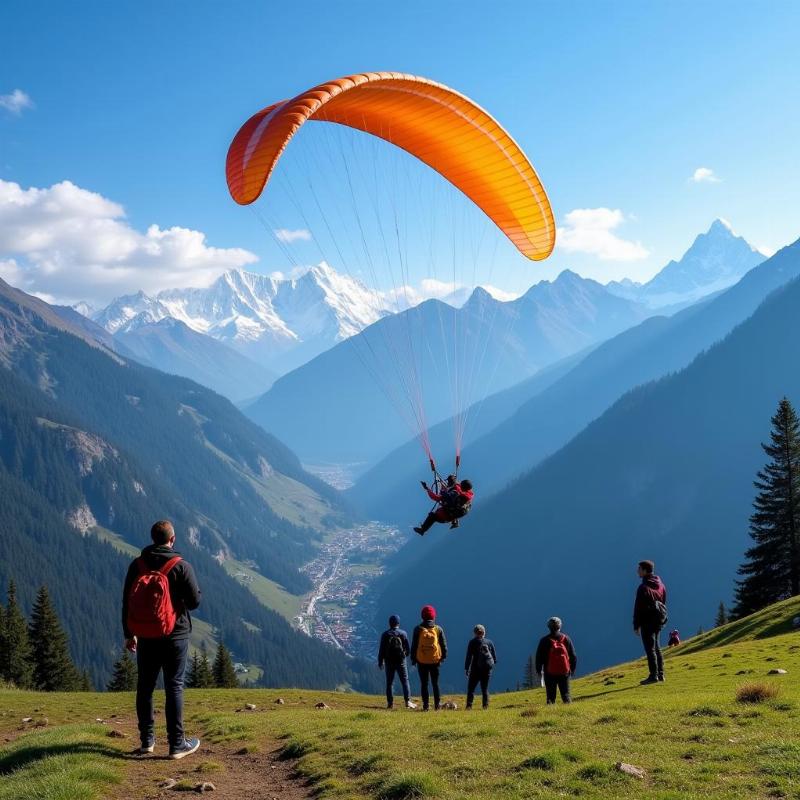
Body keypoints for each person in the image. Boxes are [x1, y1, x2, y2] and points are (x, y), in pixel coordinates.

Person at [122, 520, 202, 759]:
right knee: (174, 686)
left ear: (152, 538)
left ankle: (147, 740)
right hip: (175, 634)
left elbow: (127, 602)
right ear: (172, 539)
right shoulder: (181, 566)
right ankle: (177, 744)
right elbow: (195, 602)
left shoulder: (137, 566)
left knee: (145, 686)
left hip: (146, 635)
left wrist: (129, 634)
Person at [633, 559, 668, 685]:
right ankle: (661, 674)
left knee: (650, 649)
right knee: (657, 647)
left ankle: (653, 676)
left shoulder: (643, 588)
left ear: (644, 570)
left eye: (639, 569)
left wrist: (636, 625)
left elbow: (638, 608)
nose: (637, 571)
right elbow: (663, 601)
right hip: (658, 620)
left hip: (647, 621)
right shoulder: (661, 584)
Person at [410, 605, 447, 710]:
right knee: (435, 683)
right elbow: (444, 645)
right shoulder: (438, 629)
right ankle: (437, 705)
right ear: (433, 616)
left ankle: (426, 706)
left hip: (421, 661)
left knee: (424, 684)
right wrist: (443, 657)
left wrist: (413, 659)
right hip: (435, 660)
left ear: (422, 616)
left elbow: (414, 645)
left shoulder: (418, 629)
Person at [535, 617, 577, 705]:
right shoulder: (566, 639)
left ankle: (550, 716)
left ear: (548, 627)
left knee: (551, 697)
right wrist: (571, 670)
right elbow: (573, 656)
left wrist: (539, 670)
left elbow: (539, 657)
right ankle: (570, 714)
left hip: (549, 672)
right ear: (560, 626)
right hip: (564, 672)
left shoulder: (544, 641)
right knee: (566, 695)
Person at [377, 614, 413, 709]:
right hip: (401, 661)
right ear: (398, 623)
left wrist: (380, 662)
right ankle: (407, 701)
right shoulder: (403, 633)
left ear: (389, 623)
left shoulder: (385, 634)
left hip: (389, 661)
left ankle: (390, 703)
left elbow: (381, 650)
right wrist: (404, 655)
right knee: (405, 681)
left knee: (389, 683)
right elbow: (408, 650)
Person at [464, 624, 497, 709]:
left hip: (475, 669)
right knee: (484, 689)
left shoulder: (472, 642)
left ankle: (469, 706)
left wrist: (467, 668)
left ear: (474, 633)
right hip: (487, 670)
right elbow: (494, 657)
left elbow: (469, 656)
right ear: (484, 632)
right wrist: (491, 666)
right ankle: (485, 706)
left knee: (471, 689)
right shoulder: (489, 642)